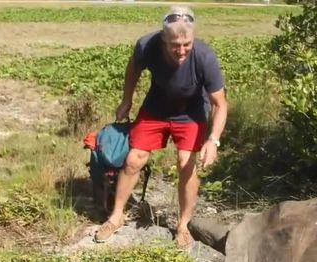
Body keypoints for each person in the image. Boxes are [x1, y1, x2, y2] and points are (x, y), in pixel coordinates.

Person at [93, 5, 228, 247]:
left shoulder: (205, 57)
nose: (181, 50)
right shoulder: (147, 45)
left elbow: (220, 104)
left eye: (187, 44)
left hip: (191, 112)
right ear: (163, 37)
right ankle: (116, 217)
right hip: (156, 107)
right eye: (175, 45)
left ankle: (183, 225)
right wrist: (127, 99)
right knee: (134, 159)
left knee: (186, 163)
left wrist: (213, 139)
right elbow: (133, 68)